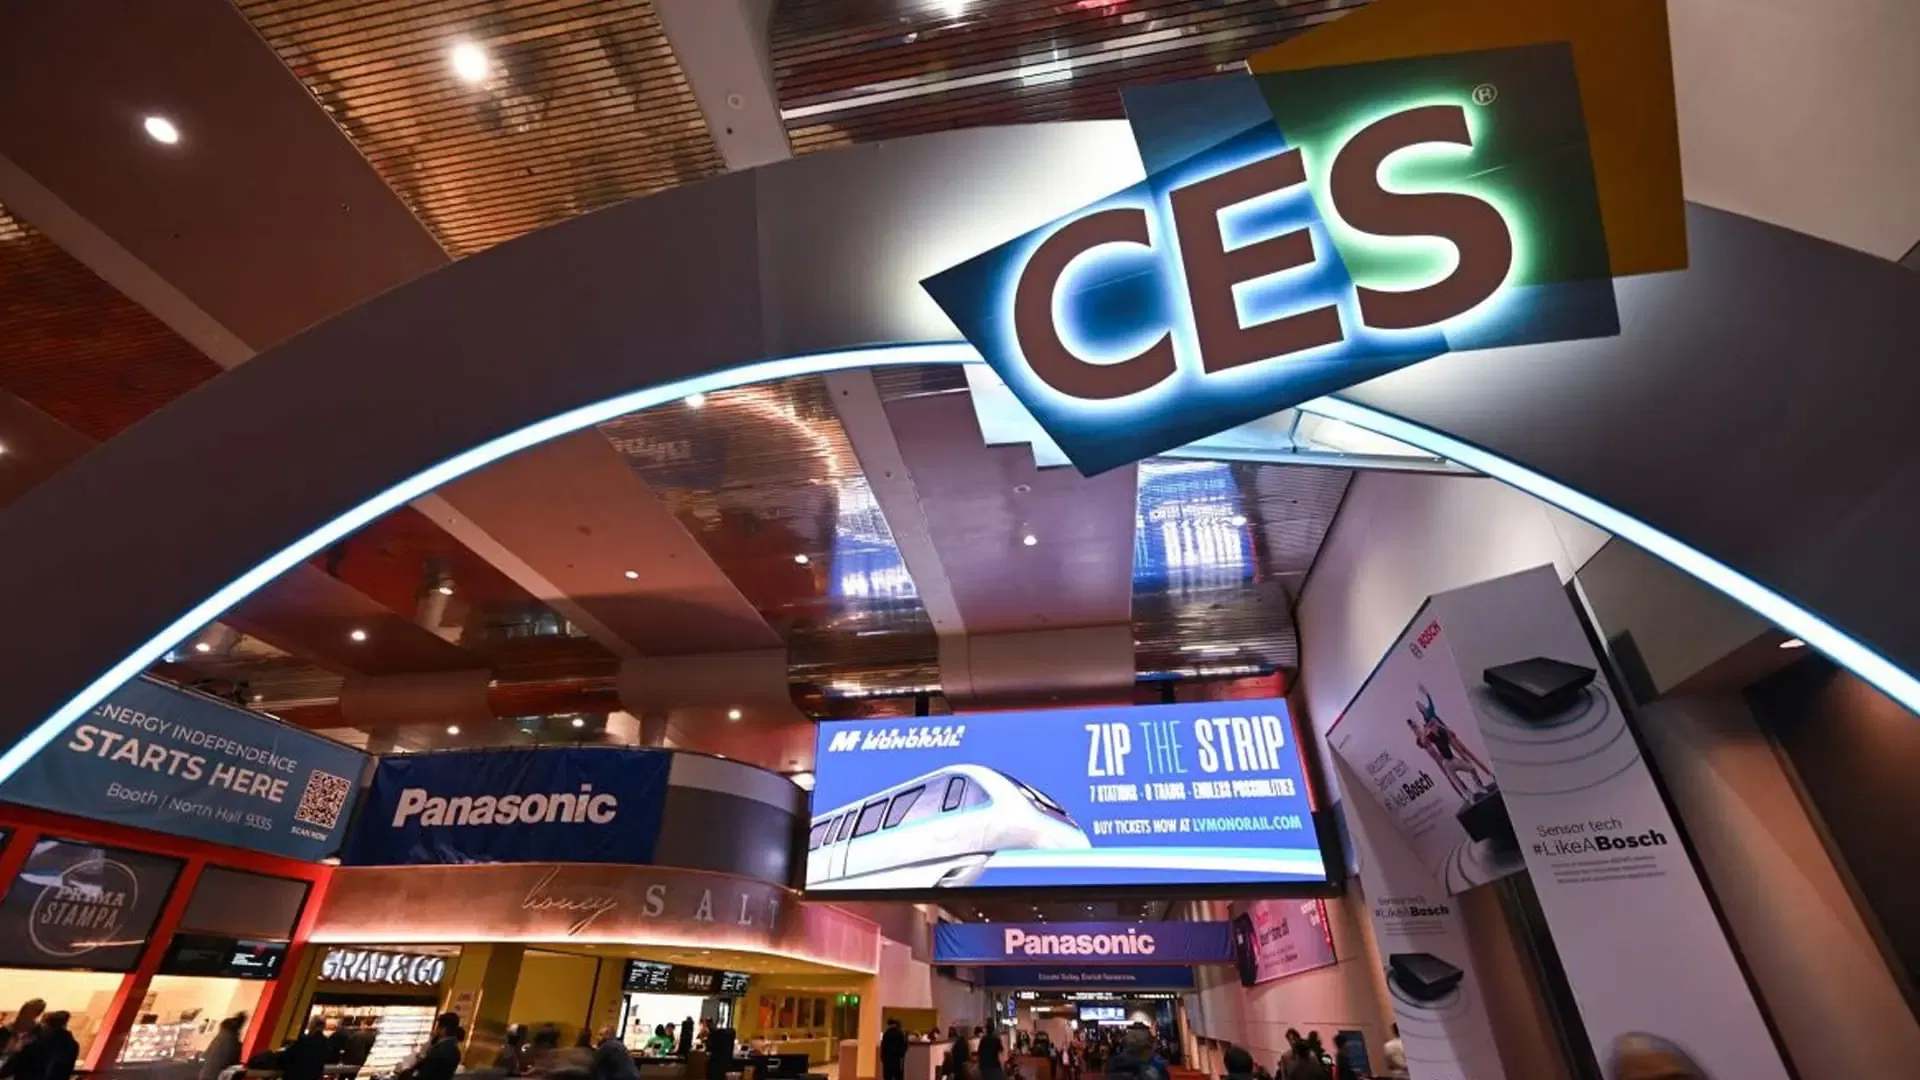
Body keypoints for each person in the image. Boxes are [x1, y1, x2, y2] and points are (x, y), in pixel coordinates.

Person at [0, 1010, 75, 1080]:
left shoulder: (40, 1044)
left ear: (49, 1026)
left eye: (43, 1024)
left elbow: (16, 1063)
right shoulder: (71, 1044)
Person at [398, 1013, 464, 1080]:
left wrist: (405, 1071)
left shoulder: (437, 1051)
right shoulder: (456, 1053)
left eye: (437, 1027)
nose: (435, 1030)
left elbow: (423, 1076)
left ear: (443, 1030)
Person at [201, 1014, 247, 1080]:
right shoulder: (233, 1042)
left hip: (207, 1074)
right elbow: (233, 1064)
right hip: (219, 1076)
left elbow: (206, 1055)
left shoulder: (219, 1037)